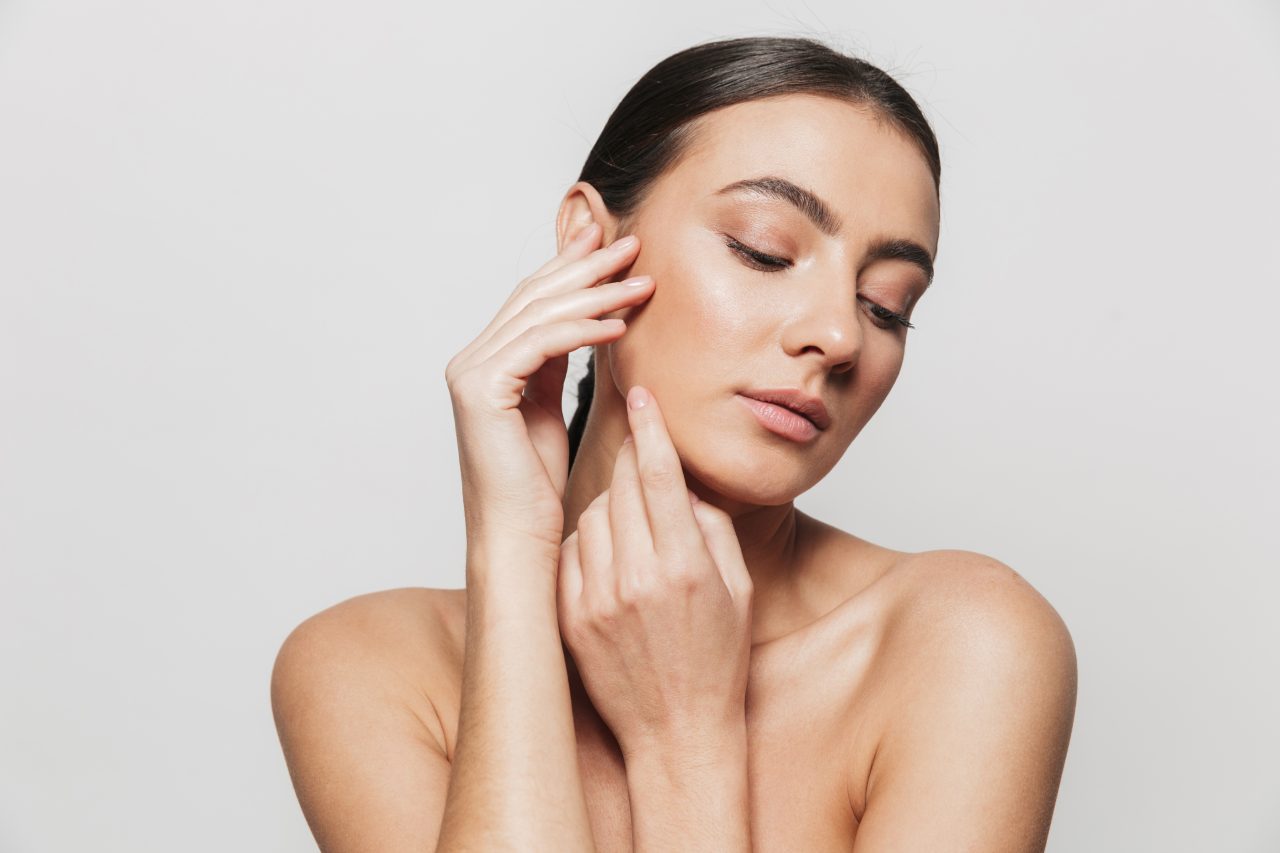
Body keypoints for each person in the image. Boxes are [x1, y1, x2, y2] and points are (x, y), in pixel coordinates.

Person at [270, 35, 1077, 852]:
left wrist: (682, 741)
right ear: (591, 247)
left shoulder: (964, 644)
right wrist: (514, 551)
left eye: (886, 305)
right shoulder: (366, 671)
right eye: (763, 249)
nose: (838, 334)